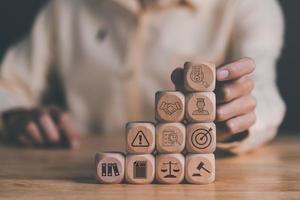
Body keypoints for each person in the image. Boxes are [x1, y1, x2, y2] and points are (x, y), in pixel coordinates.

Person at [0, 0, 286, 154]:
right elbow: (7, 86)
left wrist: (238, 118)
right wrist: (13, 115)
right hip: (85, 175)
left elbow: (263, 90)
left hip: (196, 181)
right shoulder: (64, 10)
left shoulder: (248, 5)